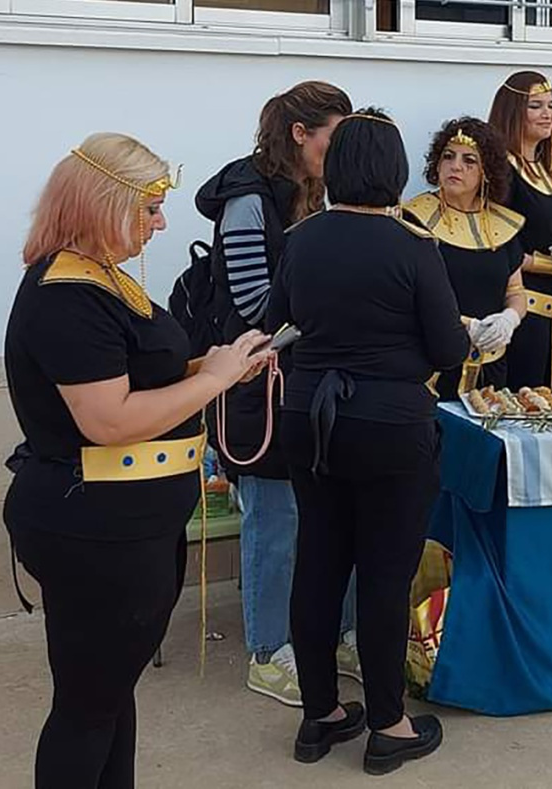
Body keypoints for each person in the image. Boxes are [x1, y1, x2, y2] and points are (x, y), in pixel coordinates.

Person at [3, 133, 271, 789]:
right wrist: (212, 381)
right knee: (87, 708)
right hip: (96, 529)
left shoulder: (102, 277)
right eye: (149, 207)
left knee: (108, 695)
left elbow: (141, 376)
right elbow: (109, 420)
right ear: (104, 203)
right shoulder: (66, 294)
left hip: (130, 524)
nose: (160, 223)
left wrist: (208, 366)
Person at [266, 108, 470, 775]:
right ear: (395, 171)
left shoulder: (301, 239)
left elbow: (276, 323)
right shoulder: (413, 247)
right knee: (385, 572)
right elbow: (448, 347)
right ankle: (388, 723)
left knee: (318, 562)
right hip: (388, 423)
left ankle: (320, 714)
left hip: (309, 417)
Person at [193, 82, 358, 707]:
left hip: (309, 381)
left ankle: (337, 637)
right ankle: (268, 653)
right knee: (274, 521)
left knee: (330, 517)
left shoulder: (317, 193)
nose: (338, 152)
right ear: (299, 133)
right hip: (256, 390)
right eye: (332, 137)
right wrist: (336, 306)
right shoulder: (246, 198)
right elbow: (252, 304)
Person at [404, 117, 528, 399]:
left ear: (487, 171)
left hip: (491, 372)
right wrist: (466, 325)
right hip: (433, 370)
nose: (455, 166)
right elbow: (407, 297)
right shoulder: (413, 220)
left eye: (469, 160)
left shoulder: (502, 225)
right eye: (448, 156)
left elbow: (516, 292)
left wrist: (510, 318)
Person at [488, 70, 552, 389]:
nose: (548, 114)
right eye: (536, 106)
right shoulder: (501, 170)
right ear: (512, 111)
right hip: (521, 314)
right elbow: (498, 248)